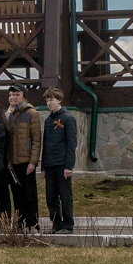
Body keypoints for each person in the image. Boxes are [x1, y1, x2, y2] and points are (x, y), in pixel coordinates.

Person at [5, 83, 42, 230]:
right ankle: (20, 224)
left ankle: (32, 224)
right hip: (13, 161)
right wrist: (9, 159)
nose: (12, 97)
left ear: (23, 95)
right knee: (17, 195)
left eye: (16, 94)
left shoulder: (31, 113)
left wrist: (33, 161)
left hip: (26, 161)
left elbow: (36, 139)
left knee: (29, 195)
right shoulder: (11, 114)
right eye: (10, 95)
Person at [42, 87, 77, 234]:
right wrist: (44, 166)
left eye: (52, 99)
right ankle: (56, 224)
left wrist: (69, 165)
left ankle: (68, 225)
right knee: (51, 197)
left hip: (62, 164)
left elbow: (71, 143)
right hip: (50, 164)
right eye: (47, 100)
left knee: (65, 196)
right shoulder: (48, 119)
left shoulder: (68, 118)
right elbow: (46, 144)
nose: (49, 102)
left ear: (59, 100)